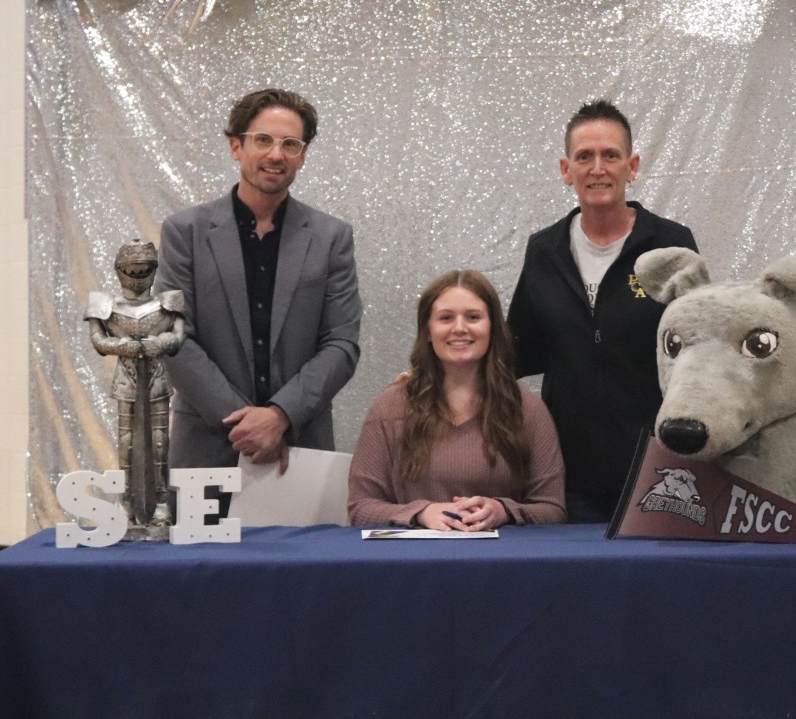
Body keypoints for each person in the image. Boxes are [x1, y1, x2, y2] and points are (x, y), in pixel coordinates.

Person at [155, 88, 361, 501]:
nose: (276, 154)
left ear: (303, 155)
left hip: (301, 446)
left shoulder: (331, 237)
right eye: (263, 139)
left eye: (290, 144)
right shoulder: (185, 232)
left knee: (304, 547)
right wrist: (246, 425)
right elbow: (172, 338)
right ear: (236, 146)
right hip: (206, 450)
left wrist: (281, 416)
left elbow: (341, 344)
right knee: (196, 549)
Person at [507, 100, 698, 523]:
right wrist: (433, 378)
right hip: (567, 477)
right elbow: (514, 352)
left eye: (610, 155)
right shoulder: (544, 250)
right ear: (566, 170)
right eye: (584, 157)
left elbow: (702, 352)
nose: (598, 168)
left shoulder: (671, 244)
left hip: (660, 472)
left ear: (632, 166)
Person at [348, 269, 566, 529]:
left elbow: (552, 509)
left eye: (473, 317)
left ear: (493, 328)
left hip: (501, 553)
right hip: (414, 553)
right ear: (427, 331)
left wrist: (504, 511)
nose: (460, 328)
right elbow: (360, 508)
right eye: (446, 318)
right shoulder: (390, 407)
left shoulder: (527, 410)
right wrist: (421, 513)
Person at [85, 240, 185, 530]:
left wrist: (161, 342)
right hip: (126, 380)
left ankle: (161, 501)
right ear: (120, 269)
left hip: (156, 379)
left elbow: (179, 336)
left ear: (154, 269)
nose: (138, 274)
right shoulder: (104, 304)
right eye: (133, 269)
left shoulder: (168, 302)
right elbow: (98, 340)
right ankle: (127, 501)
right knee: (126, 443)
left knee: (160, 442)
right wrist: (121, 346)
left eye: (144, 269)